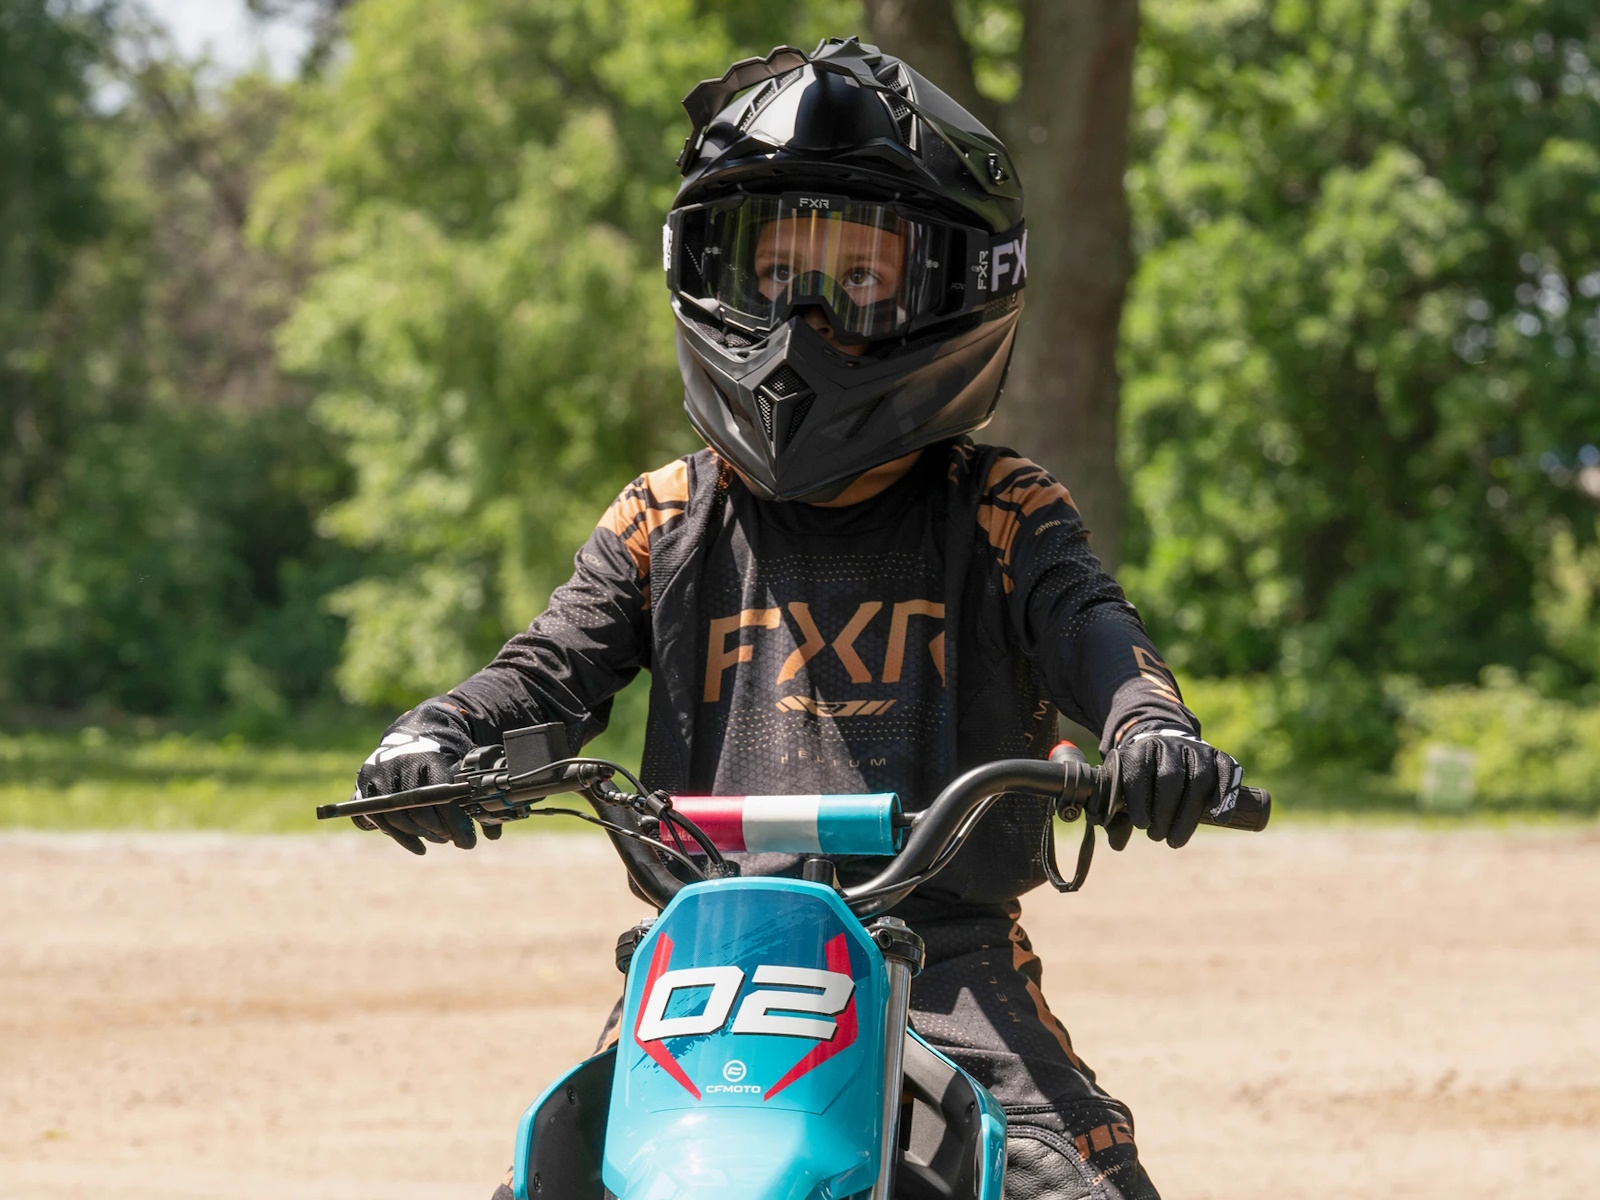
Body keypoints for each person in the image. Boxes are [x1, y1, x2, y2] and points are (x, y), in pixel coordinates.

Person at [349, 38, 1244, 1200]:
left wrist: (1148, 729)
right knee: (557, 1169)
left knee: (1072, 1172)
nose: (803, 320)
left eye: (860, 279)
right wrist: (433, 734)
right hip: (704, 967)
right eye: (775, 274)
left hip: (941, 959)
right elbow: (545, 669)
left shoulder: (999, 507)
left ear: (960, 288)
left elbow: (1091, 627)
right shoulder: (665, 516)